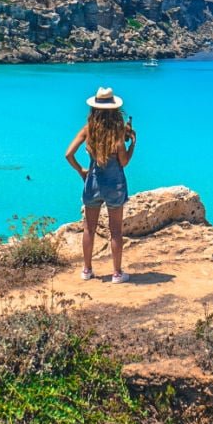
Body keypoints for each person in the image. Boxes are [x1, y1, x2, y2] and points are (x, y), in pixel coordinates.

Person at [65, 86, 136, 284]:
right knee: (115, 231)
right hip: (115, 185)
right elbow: (123, 162)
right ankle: (116, 274)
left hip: (93, 182)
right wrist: (133, 144)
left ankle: (87, 270)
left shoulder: (88, 129)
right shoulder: (117, 131)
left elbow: (68, 154)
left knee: (89, 229)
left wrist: (82, 171)